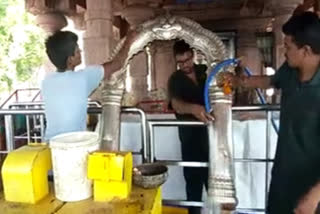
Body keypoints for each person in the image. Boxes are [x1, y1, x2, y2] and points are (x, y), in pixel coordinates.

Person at [221, 12, 320, 214]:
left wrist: (313, 196)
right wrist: (239, 81)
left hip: (312, 186)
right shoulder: (291, 70)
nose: (284, 51)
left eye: (289, 47)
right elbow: (269, 81)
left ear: (306, 50)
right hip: (283, 175)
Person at [41, 30, 135, 141]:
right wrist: (129, 40)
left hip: (49, 144)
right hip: (73, 144)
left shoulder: (47, 82)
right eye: (77, 51)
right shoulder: (83, 78)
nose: (80, 51)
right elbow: (117, 63)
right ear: (70, 59)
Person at [168, 40, 213, 214]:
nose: (185, 65)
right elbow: (176, 104)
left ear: (193, 55)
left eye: (187, 60)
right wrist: (194, 109)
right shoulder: (175, 80)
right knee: (193, 185)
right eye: (180, 62)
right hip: (190, 139)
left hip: (212, 137)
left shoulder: (205, 71)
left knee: (215, 183)